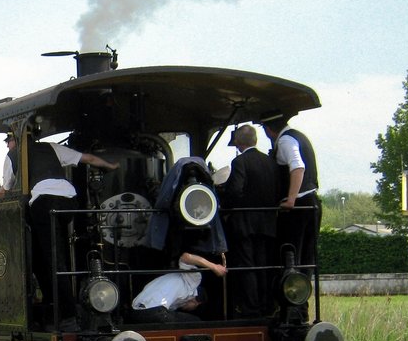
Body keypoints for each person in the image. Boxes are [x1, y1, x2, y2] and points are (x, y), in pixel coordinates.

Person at [0, 133, 118, 327]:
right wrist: (111, 166)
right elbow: (88, 158)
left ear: (16, 138)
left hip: (44, 202)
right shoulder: (52, 147)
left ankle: (67, 315)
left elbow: (7, 189)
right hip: (69, 201)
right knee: (54, 251)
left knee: (52, 259)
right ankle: (58, 303)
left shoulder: (13, 155)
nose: (8, 146)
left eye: (8, 141)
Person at [218, 125, 282, 317]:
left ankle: (251, 307)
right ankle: (267, 304)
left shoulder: (240, 162)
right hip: (268, 222)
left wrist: (226, 203)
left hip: (245, 222)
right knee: (263, 264)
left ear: (238, 142)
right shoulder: (270, 163)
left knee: (248, 265)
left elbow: (236, 190)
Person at [260, 112, 320, 268]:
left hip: (298, 206)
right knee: (307, 255)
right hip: (311, 202)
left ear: (267, 129)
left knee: (291, 252)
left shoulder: (286, 140)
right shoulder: (299, 136)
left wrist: (291, 199)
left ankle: (291, 289)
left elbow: (298, 167)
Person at [130, 252, 228, 323]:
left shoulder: (174, 298)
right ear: (196, 302)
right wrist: (214, 266)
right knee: (195, 321)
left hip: (135, 312)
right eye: (193, 308)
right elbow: (186, 257)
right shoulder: (193, 281)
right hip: (154, 311)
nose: (188, 309)